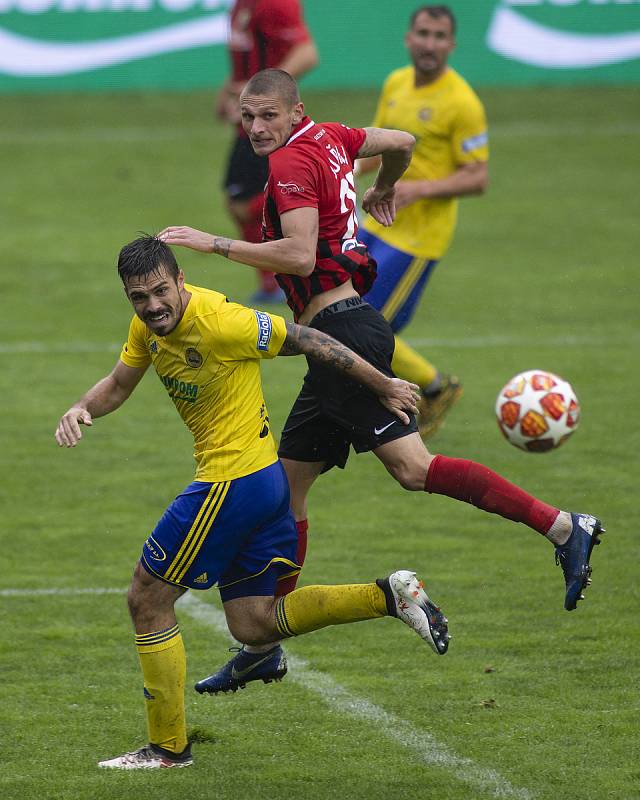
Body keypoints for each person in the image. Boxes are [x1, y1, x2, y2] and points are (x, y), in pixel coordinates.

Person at [158, 68, 604, 694]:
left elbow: (299, 257)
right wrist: (383, 191)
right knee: (289, 488)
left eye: (267, 116)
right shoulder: (332, 136)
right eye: (248, 117)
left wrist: (213, 244)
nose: (257, 128)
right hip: (339, 333)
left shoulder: (288, 164)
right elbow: (399, 141)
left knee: (412, 469)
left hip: (342, 334)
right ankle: (263, 646)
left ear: (293, 111)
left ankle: (562, 526)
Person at [54, 235, 449, 769]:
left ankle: (167, 749)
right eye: (138, 297)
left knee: (146, 598)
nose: (151, 306)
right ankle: (389, 596)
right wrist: (82, 408)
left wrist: (382, 384)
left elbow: (310, 339)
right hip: (263, 486)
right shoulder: (147, 327)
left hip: (231, 483)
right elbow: (120, 384)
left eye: (160, 292)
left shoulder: (222, 320)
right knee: (254, 624)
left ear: (179, 280)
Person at [356, 4, 489, 439]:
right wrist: (344, 168)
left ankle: (430, 390)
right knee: (339, 313)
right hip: (377, 222)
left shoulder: (462, 103)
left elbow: (477, 176)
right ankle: (430, 388)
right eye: (423, 34)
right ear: (409, 38)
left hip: (418, 238)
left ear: (451, 44)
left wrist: (416, 189)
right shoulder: (396, 83)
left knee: (366, 326)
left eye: (439, 36)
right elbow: (375, 144)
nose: (430, 44)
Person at [217, 0, 318, 304]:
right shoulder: (241, 5)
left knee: (258, 199)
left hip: (269, 122)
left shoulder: (275, 3)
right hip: (249, 122)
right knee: (239, 203)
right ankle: (274, 283)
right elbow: (247, 60)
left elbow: (307, 54)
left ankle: (326, 206)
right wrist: (227, 92)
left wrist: (260, 94)